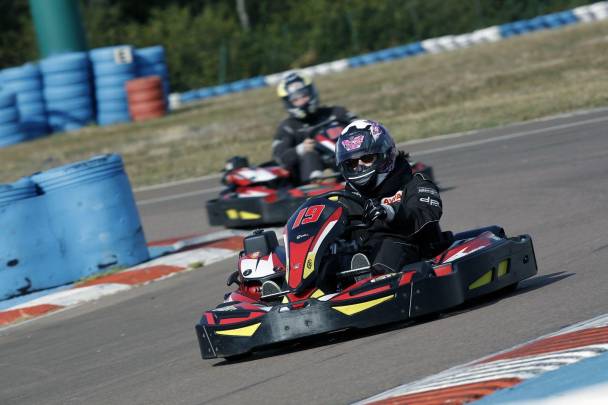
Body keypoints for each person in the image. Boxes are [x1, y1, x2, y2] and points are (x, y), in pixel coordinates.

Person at [335, 119, 444, 274]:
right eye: (352, 163)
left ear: (386, 155)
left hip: (415, 249)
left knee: (388, 247)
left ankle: (370, 280)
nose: (359, 167)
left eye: (366, 159)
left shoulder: (415, 182)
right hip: (363, 252)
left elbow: (425, 213)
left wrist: (390, 213)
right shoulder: (347, 199)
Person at [272, 72, 356, 184]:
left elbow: (365, 130)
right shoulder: (288, 127)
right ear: (289, 103)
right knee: (309, 155)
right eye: (295, 100)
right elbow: (280, 158)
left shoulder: (337, 113)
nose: (302, 102)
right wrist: (301, 149)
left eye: (304, 95)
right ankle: (319, 184)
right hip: (310, 177)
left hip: (349, 162)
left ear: (312, 93)